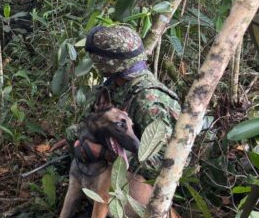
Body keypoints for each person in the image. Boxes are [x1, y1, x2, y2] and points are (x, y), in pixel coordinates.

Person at [68, 25, 181, 176]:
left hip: (141, 185)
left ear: (107, 64)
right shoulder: (115, 86)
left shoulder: (149, 101)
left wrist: (104, 154)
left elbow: (164, 165)